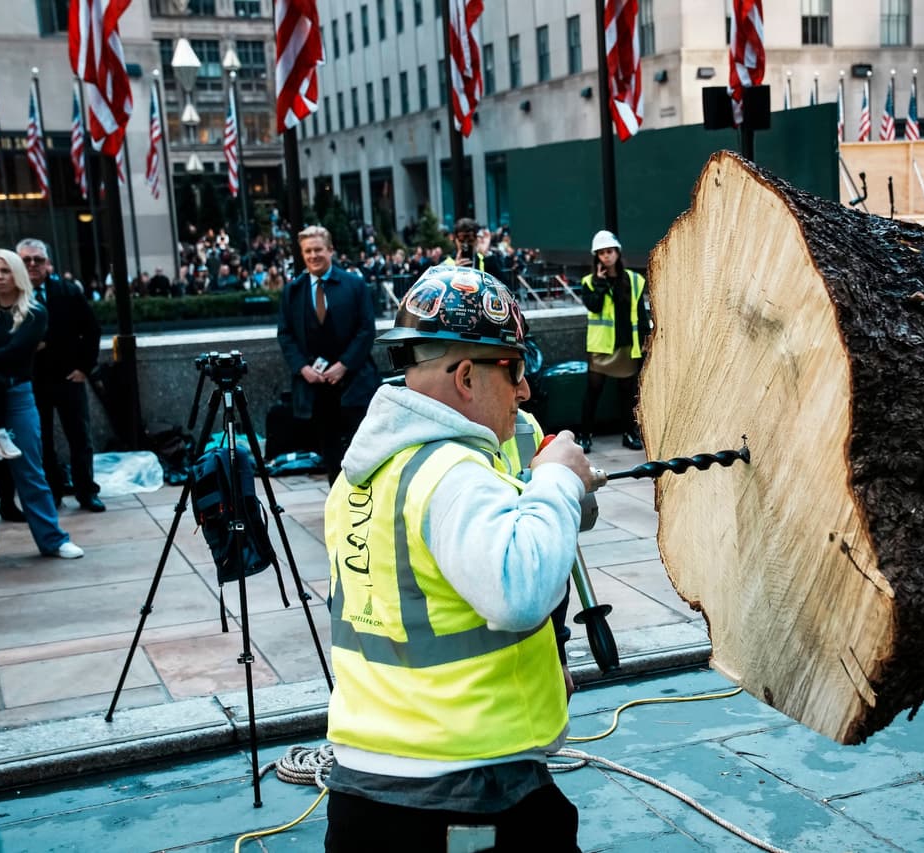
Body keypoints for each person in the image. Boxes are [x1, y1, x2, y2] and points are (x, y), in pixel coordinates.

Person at [322, 264, 590, 850]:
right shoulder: (451, 475)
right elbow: (520, 590)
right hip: (463, 791)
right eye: (514, 369)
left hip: (365, 788)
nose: (524, 390)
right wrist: (558, 483)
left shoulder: (363, 475)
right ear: (468, 376)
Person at [0, 250, 84, 569]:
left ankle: (52, 539)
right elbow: (3, 356)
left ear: (17, 274)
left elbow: (15, 355)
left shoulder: (35, 312)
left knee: (30, 469)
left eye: (5, 271)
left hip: (18, 395)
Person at [0, 239, 104, 515]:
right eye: (26, 260)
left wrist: (84, 368)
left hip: (69, 378)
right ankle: (52, 494)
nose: (32, 264)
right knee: (40, 441)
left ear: (47, 264)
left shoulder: (67, 292)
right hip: (29, 383)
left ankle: (86, 492)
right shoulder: (9, 296)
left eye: (38, 259)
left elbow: (92, 330)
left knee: (80, 438)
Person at [276, 225, 382, 482]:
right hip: (316, 387)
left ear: (331, 250)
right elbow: (285, 334)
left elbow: (367, 330)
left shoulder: (355, 285)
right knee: (330, 449)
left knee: (363, 447)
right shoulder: (293, 291)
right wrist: (303, 368)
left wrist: (344, 365)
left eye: (318, 250)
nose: (313, 256)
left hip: (355, 382)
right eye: (308, 251)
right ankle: (338, 503)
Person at [578, 230, 649, 453]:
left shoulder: (635, 280)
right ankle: (584, 435)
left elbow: (640, 313)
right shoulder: (589, 282)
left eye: (609, 252)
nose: (606, 257)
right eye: (601, 253)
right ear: (596, 257)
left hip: (627, 345)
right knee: (593, 391)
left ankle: (629, 433)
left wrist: (647, 339)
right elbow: (594, 306)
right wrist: (600, 282)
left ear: (617, 252)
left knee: (627, 393)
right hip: (600, 347)